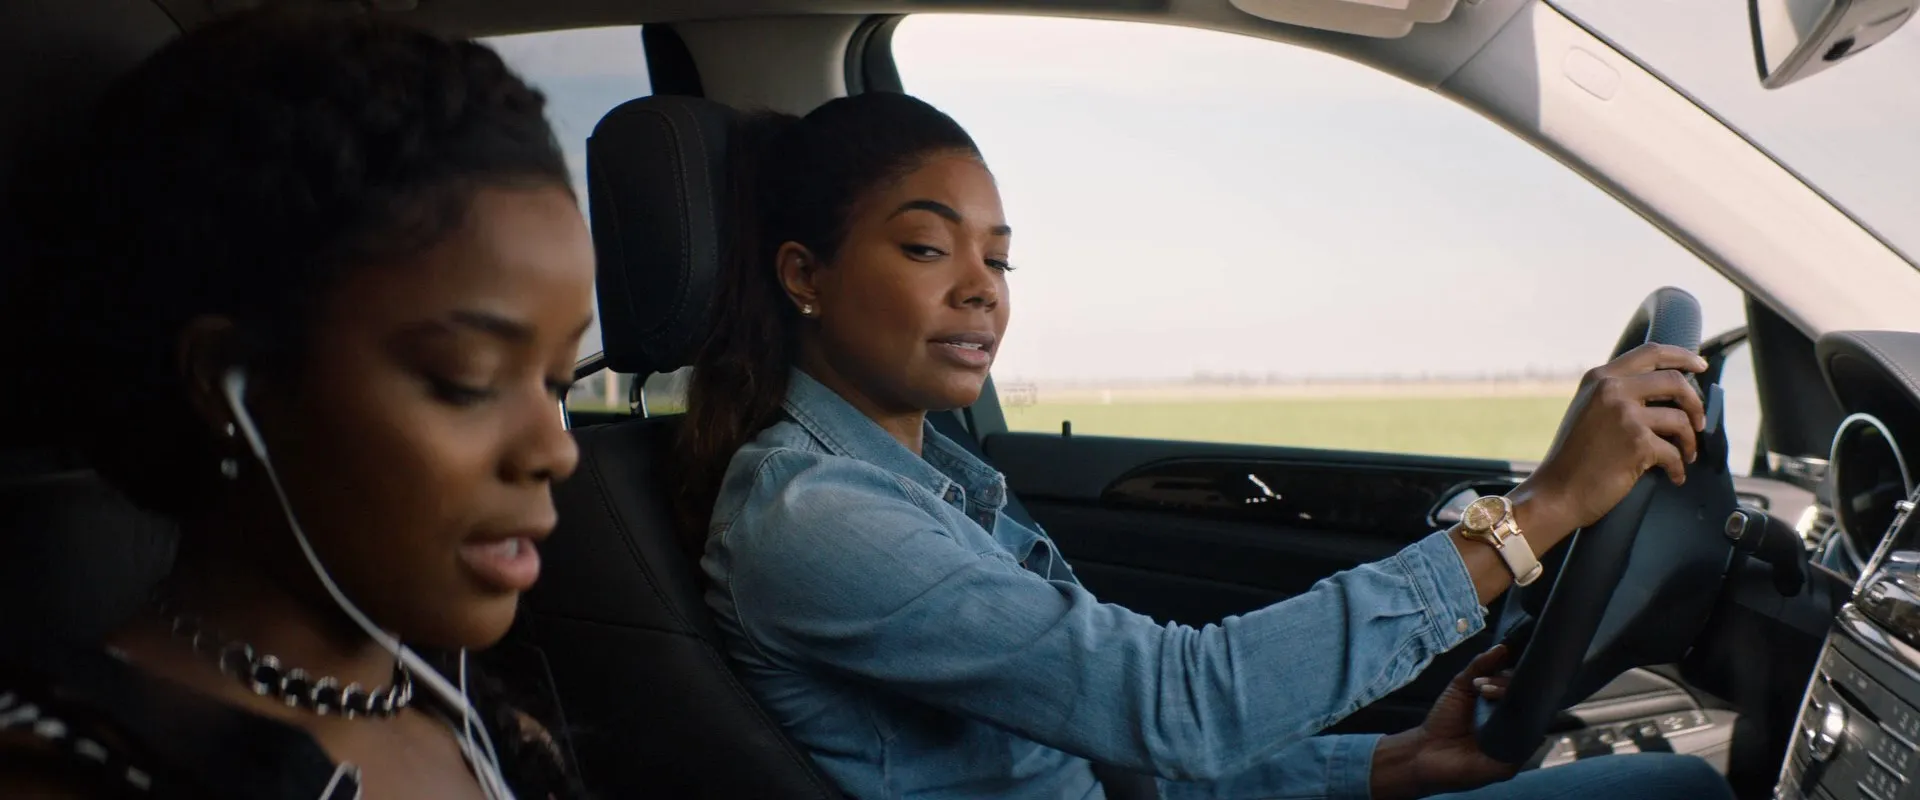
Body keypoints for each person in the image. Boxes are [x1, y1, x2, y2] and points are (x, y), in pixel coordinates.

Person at [679, 92, 1735, 799]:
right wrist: (1539, 512)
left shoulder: (931, 486)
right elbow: (1176, 706)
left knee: (1673, 783)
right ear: (805, 275)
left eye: (999, 260)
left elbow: (1114, 758)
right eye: (926, 247)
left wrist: (1394, 763)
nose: (980, 290)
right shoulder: (816, 517)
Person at [0, 10, 595, 798]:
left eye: (557, 382)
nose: (556, 450)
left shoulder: (490, 732)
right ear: (228, 382)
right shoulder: (67, 774)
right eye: (468, 381)